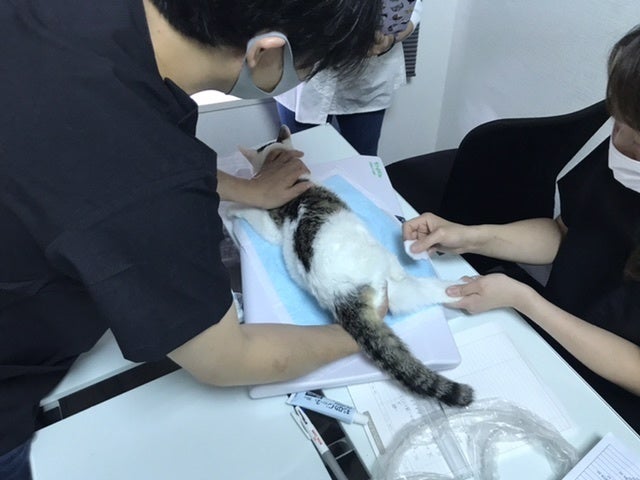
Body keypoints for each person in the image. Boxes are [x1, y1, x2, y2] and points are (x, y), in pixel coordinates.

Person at [0, 1, 383, 478]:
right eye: (312, 66)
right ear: (267, 51)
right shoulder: (147, 173)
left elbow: (89, 155)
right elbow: (226, 358)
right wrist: (357, 333)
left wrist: (243, 189)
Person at [403, 25, 640, 431]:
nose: (616, 140)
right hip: (555, 335)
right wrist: (469, 235)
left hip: (610, 398)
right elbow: (566, 233)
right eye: (616, 123)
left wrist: (527, 301)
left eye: (634, 139)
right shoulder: (624, 154)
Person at [275, 0, 423, 156]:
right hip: (301, 73)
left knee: (363, 160)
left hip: (368, 75)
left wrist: (391, 38)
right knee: (301, 159)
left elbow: (411, 6)